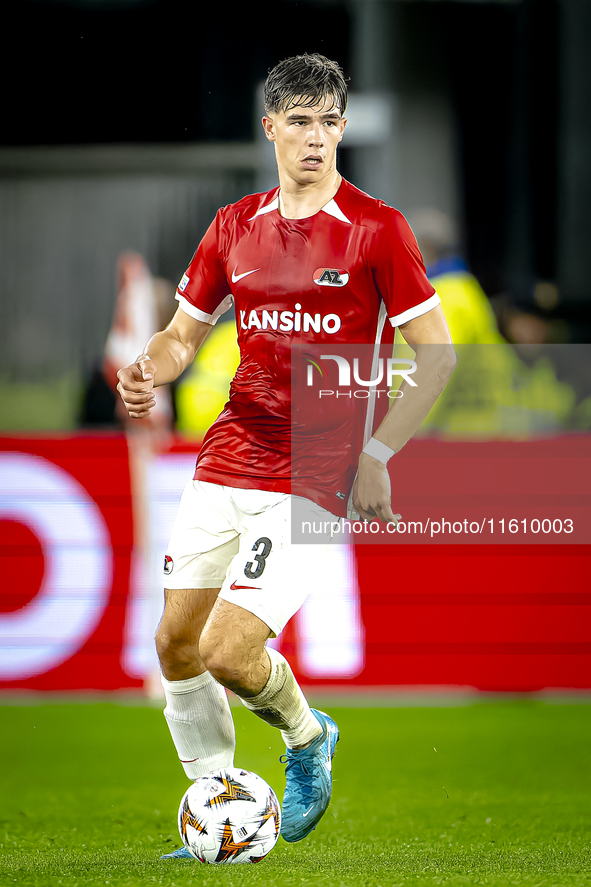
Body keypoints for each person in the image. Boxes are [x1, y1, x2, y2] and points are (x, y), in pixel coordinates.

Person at [116, 53, 456, 856]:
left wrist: (377, 450)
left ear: (342, 128)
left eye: (329, 121)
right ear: (269, 126)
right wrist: (146, 370)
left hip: (315, 471)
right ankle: (216, 801)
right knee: (173, 642)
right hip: (229, 452)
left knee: (228, 649)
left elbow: (435, 355)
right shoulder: (235, 225)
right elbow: (180, 336)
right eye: (299, 121)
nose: (315, 137)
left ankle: (308, 739)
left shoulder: (378, 228)